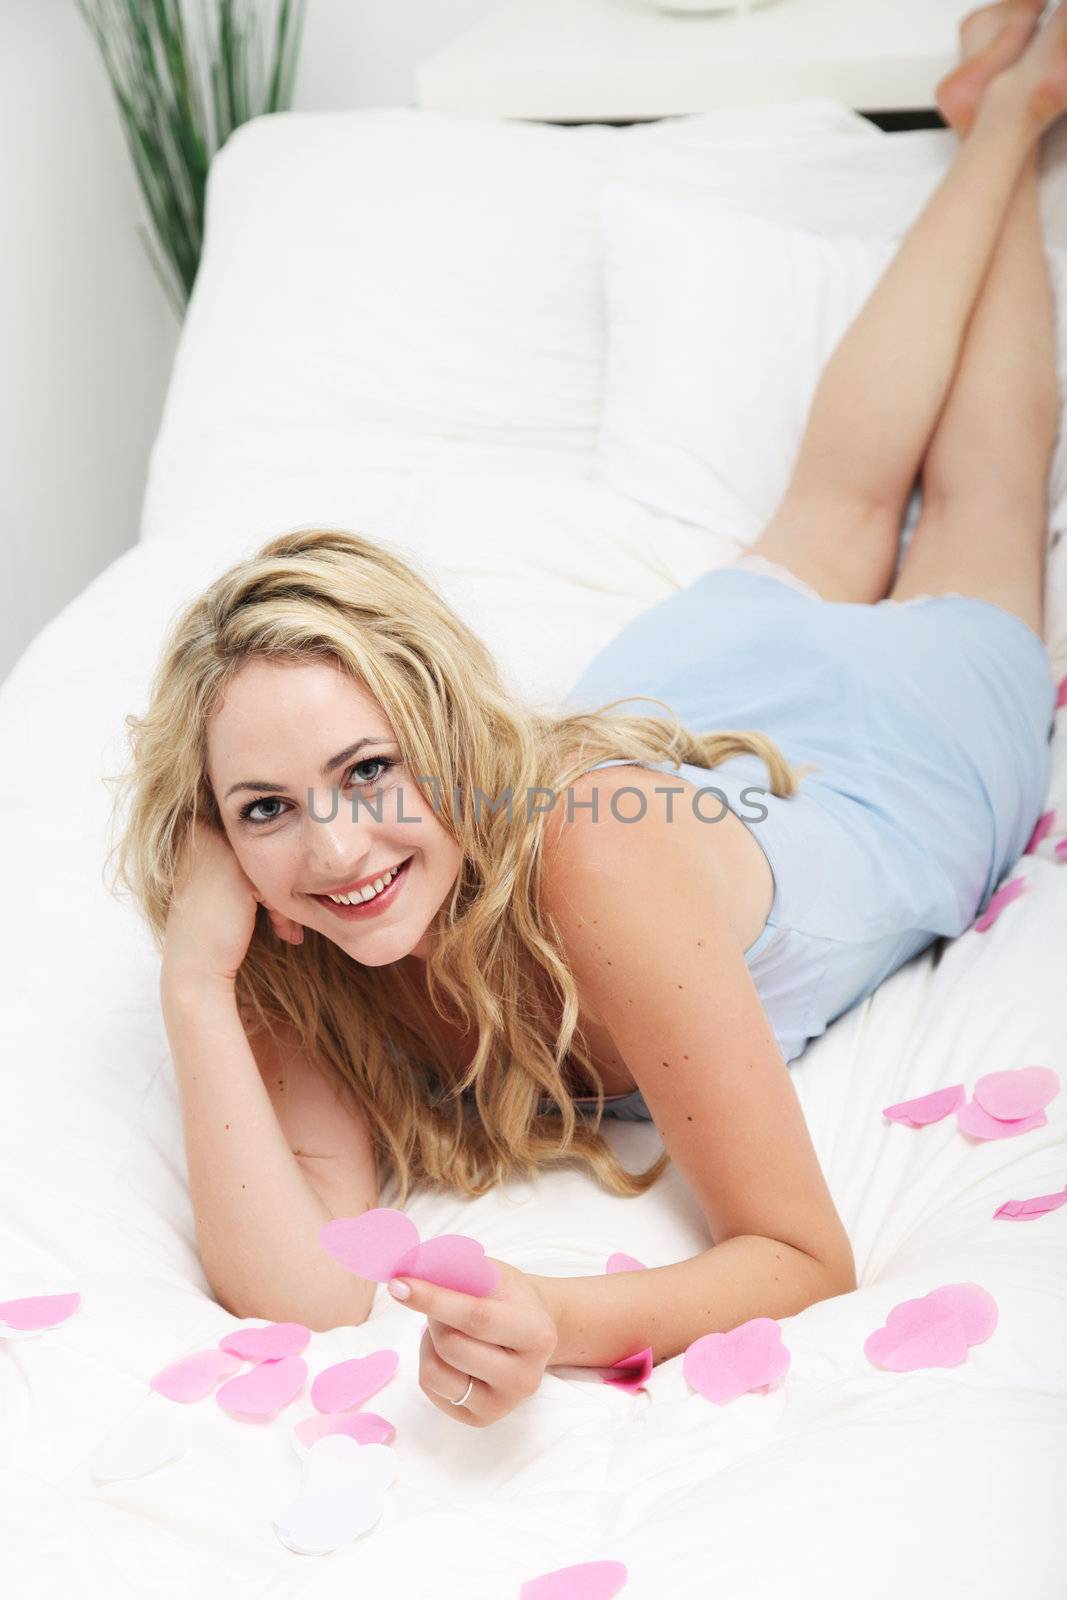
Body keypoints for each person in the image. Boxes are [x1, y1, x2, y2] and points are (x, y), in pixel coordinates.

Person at [107, 1, 1065, 1427]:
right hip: (684, 721)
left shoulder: (581, 858)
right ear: (220, 835)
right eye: (266, 807)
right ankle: (1010, 103)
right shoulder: (292, 930)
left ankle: (1012, 119)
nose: (334, 842)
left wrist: (561, 1320)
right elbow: (302, 1293)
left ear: (438, 737)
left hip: (867, 768)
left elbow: (803, 1253)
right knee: (830, 505)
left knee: (960, 509)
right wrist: (196, 979)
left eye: (369, 767)